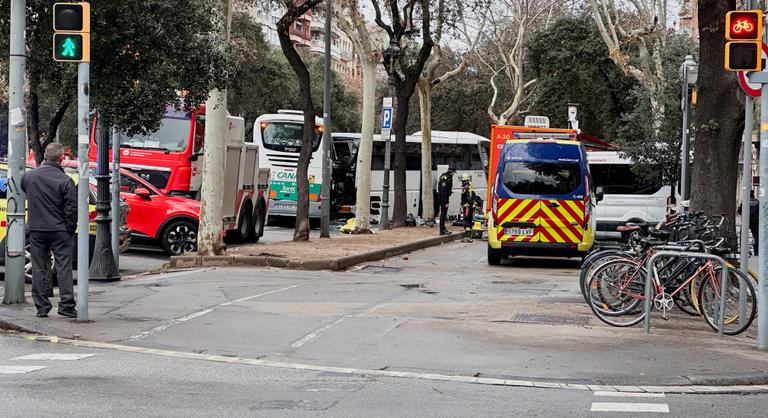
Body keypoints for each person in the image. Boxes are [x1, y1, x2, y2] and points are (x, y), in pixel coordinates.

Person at [21, 143, 78, 318]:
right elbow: (72, 208)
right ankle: (66, 305)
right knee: (63, 267)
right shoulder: (65, 180)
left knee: (38, 268)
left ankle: (42, 307)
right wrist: (69, 228)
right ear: (61, 158)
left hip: (37, 229)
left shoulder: (29, 177)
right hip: (60, 230)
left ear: (45, 155)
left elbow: (25, 191)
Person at [459, 174, 481, 242]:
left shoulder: (466, 188)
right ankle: (469, 236)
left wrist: (465, 204)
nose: (462, 182)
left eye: (463, 181)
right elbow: (475, 198)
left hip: (467, 207)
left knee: (466, 220)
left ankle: (468, 236)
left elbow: (468, 198)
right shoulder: (471, 187)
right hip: (470, 207)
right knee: (469, 220)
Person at [437, 167, 456, 236]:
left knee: (443, 214)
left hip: (443, 197)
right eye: (453, 172)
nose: (454, 174)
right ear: (451, 172)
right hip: (443, 198)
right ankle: (442, 230)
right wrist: (446, 202)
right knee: (443, 214)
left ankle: (443, 229)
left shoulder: (447, 176)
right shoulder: (446, 177)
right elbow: (443, 190)